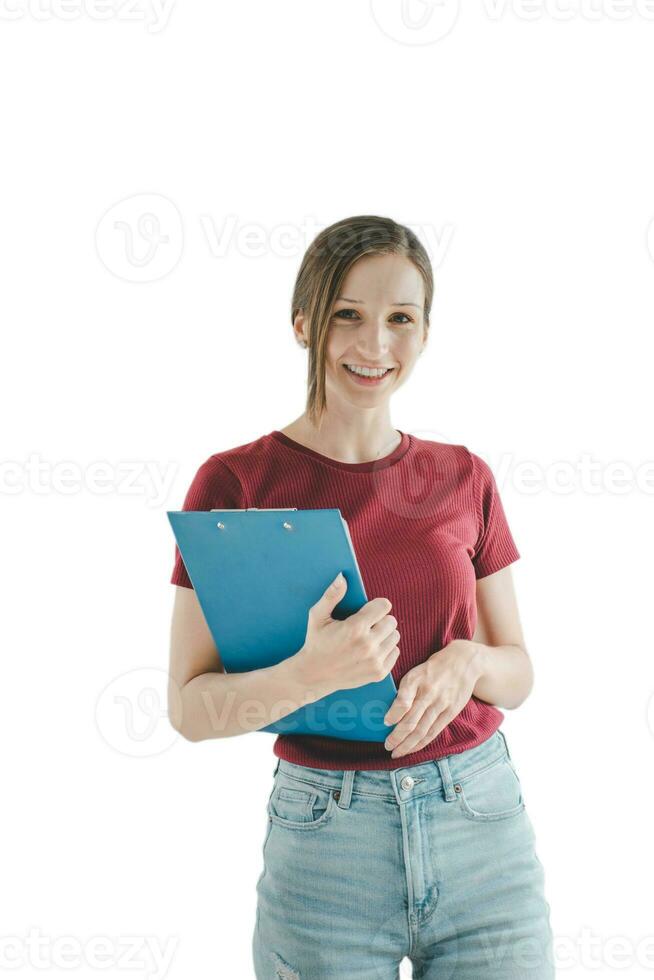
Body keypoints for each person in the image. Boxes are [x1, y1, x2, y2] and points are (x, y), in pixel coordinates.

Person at [167, 215, 555, 978]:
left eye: (399, 320)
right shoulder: (236, 485)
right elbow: (188, 710)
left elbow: (520, 672)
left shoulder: (462, 474)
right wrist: (310, 675)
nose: (375, 345)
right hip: (324, 844)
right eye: (348, 315)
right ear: (304, 321)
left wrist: (469, 661)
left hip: (482, 821)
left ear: (425, 332)